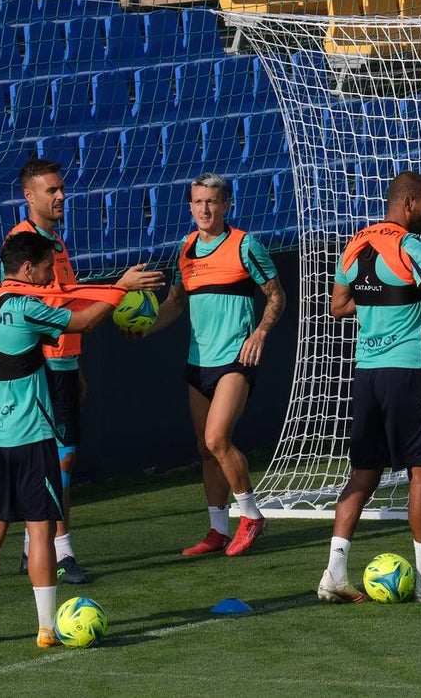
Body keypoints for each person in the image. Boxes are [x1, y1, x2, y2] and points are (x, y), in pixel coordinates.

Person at [317, 171, 421, 604]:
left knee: (364, 472)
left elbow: (337, 306)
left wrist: (381, 297)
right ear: (407, 203)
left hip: (367, 373)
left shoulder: (355, 243)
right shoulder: (409, 245)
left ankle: (334, 574)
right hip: (408, 372)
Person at [0, 232, 131, 648]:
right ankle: (45, 628)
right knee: (40, 530)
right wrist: (121, 289)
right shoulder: (26, 307)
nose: (50, 278)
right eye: (45, 269)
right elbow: (84, 323)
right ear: (27, 269)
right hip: (31, 436)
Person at [9, 157, 165, 584]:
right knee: (59, 458)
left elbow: (66, 297)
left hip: (61, 362)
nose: (61, 196)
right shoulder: (24, 244)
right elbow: (53, 304)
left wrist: (73, 363)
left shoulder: (54, 242)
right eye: (51, 190)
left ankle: (33, 548)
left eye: (62, 188)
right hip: (41, 364)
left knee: (59, 457)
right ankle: (60, 553)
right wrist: (117, 289)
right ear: (29, 196)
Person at [143, 173, 286, 557]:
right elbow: (175, 303)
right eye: (198, 202)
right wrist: (145, 329)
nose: (205, 209)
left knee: (217, 440)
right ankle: (218, 530)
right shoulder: (186, 248)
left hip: (236, 359)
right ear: (190, 207)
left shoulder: (246, 245)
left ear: (226, 205)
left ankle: (251, 516)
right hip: (198, 362)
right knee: (205, 450)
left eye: (212, 202)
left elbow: (276, 296)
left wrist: (260, 333)